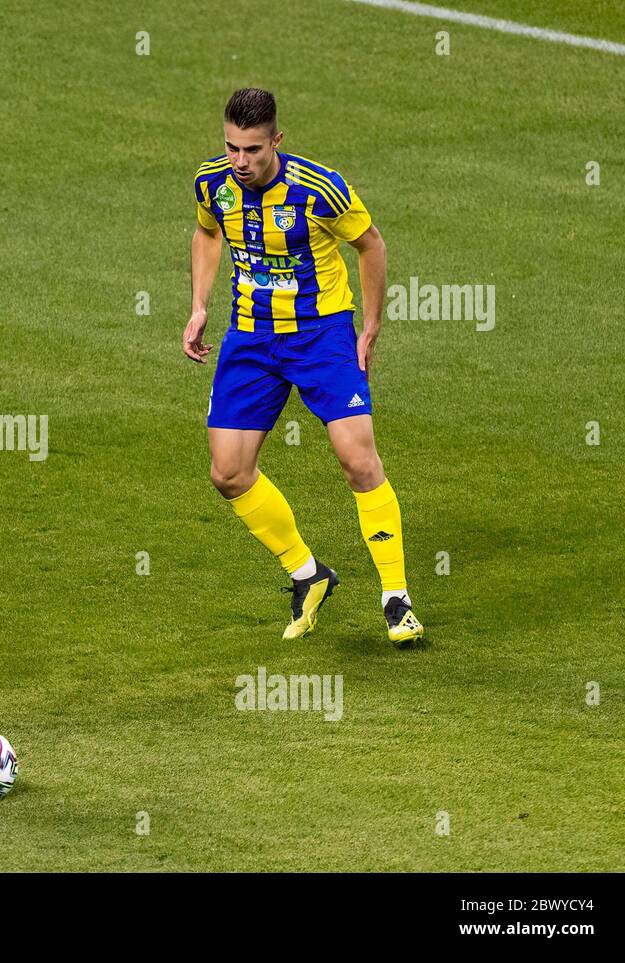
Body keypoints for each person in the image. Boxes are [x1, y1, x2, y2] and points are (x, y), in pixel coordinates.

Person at [183, 88, 424, 646]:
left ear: (277, 141)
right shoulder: (212, 183)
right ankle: (308, 573)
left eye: (251, 149)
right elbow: (206, 232)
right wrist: (199, 306)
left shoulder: (320, 189)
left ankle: (396, 599)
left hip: (322, 336)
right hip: (251, 337)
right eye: (231, 147)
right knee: (228, 473)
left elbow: (371, 245)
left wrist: (370, 325)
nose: (239, 161)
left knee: (358, 460)